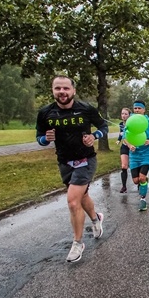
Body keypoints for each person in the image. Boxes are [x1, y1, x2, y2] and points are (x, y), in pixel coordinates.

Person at [36, 75, 108, 263]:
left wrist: (95, 136)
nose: (62, 92)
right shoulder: (45, 113)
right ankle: (96, 218)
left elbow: (103, 126)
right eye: (58, 88)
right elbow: (40, 138)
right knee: (82, 197)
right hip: (64, 162)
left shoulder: (85, 109)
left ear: (73, 91)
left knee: (73, 202)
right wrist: (46, 139)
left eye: (66, 88)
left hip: (85, 160)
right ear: (53, 91)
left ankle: (77, 243)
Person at [116, 107, 131, 193]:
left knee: (134, 166)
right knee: (124, 166)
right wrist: (118, 139)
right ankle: (124, 186)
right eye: (122, 114)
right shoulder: (121, 124)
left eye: (126, 114)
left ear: (129, 115)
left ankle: (140, 182)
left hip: (133, 146)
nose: (123, 115)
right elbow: (121, 133)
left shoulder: (132, 123)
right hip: (124, 146)